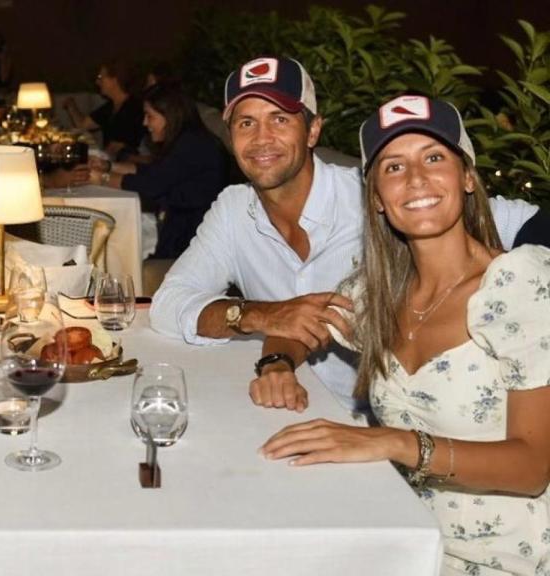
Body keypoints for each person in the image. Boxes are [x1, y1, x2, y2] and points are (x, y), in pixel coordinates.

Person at [149, 56, 546, 412]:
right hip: (289, 408)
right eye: (246, 122)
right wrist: (261, 315)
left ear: (313, 130)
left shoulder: (384, 195)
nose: (261, 138)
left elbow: (513, 221)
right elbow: (168, 304)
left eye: (280, 119)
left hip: (391, 420)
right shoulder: (235, 210)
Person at [262, 95, 550, 575]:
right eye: (394, 167)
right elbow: (297, 323)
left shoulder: (521, 283)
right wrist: (276, 363)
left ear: (468, 177)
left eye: (434, 158)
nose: (416, 179)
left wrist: (394, 442)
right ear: (376, 198)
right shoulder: (380, 291)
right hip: (402, 536)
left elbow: (532, 466)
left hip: (505, 559)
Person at [87, 84, 228, 258]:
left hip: (192, 242)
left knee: (115, 243)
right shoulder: (188, 138)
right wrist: (109, 167)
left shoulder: (192, 145)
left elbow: (150, 185)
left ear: (169, 116)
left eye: (150, 116)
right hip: (182, 230)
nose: (145, 123)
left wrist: (102, 178)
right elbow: (157, 171)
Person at [63, 59, 144, 160]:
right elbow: (83, 124)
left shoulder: (135, 107)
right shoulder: (110, 107)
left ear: (115, 80)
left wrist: (97, 156)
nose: (97, 82)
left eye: (101, 77)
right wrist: (71, 105)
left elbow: (119, 147)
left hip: (128, 167)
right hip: (110, 162)